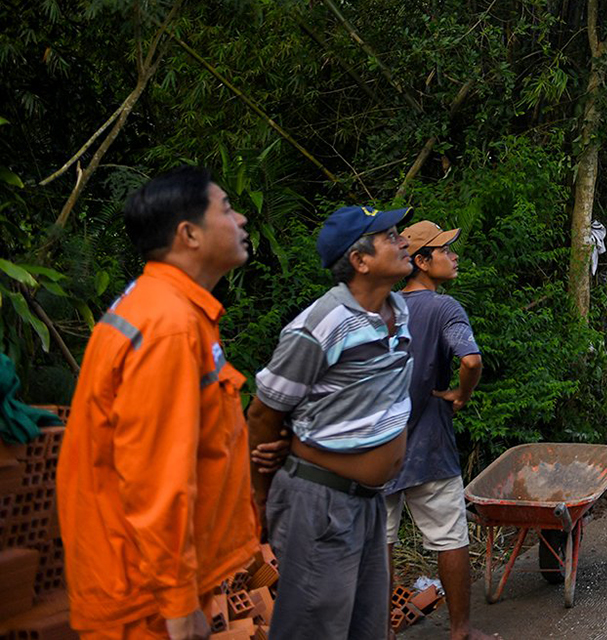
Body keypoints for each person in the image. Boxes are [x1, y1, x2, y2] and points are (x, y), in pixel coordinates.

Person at [56, 167, 259, 640]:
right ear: (188, 234)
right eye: (227, 208)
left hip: (146, 583)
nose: (243, 219)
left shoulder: (169, 310)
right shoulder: (168, 326)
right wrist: (177, 604)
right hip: (142, 599)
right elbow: (157, 479)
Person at [247, 206, 415, 640]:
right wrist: (261, 497)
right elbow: (264, 412)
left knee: (366, 627)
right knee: (313, 629)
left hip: (368, 501)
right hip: (320, 503)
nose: (404, 242)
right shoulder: (321, 324)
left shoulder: (399, 311)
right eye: (391, 237)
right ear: (360, 261)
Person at [384, 220, 490, 640]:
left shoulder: (381, 307)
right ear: (421, 261)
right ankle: (461, 631)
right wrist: (461, 396)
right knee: (449, 538)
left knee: (381, 544)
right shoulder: (445, 308)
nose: (454, 255)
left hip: (378, 449)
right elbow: (470, 360)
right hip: (429, 445)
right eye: (446, 250)